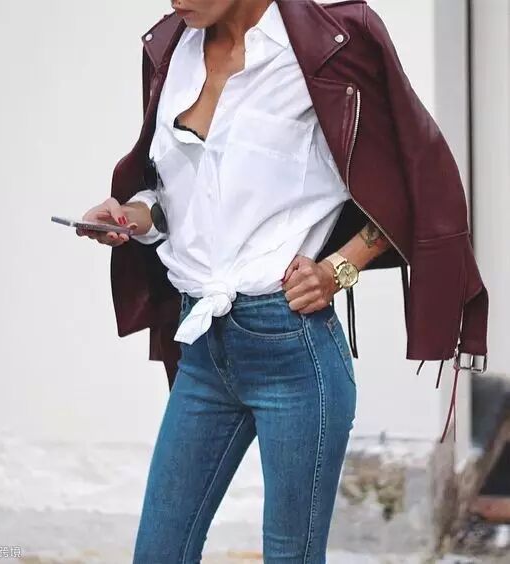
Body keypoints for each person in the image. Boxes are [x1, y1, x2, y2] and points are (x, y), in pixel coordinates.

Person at [77, 0, 489, 561]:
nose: (172, 1)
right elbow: (178, 197)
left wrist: (338, 269)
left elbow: (417, 184)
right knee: (158, 552)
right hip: (202, 350)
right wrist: (132, 217)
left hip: (292, 352)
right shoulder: (173, 50)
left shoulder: (330, 47)